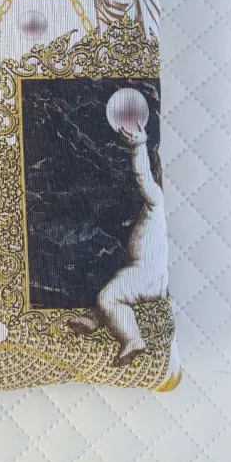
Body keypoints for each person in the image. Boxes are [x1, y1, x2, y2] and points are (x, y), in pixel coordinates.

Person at [68, 123, 168, 365]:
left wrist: (139, 146)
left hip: (146, 275)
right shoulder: (159, 206)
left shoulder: (156, 197)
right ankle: (94, 319)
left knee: (108, 297)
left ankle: (132, 339)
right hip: (151, 274)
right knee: (117, 279)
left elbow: (142, 177)